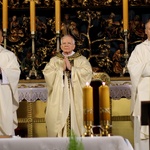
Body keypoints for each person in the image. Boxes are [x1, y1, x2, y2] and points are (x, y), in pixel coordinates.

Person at [43, 35, 93, 137]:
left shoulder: (82, 60)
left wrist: (72, 69)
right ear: (60, 46)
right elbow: (47, 73)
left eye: (69, 43)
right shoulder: (54, 60)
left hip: (76, 97)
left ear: (74, 46)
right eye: (64, 43)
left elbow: (87, 73)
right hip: (59, 96)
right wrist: (60, 70)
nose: (66, 45)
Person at [127, 19, 150, 150]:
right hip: (145, 94)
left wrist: (145, 68)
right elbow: (133, 68)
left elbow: (143, 69)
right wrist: (146, 69)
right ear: (146, 31)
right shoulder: (139, 49)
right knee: (144, 130)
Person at [0, 28, 21, 136]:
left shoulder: (8, 55)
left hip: (3, 93)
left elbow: (15, 72)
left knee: (4, 119)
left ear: (1, 38)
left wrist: (2, 71)